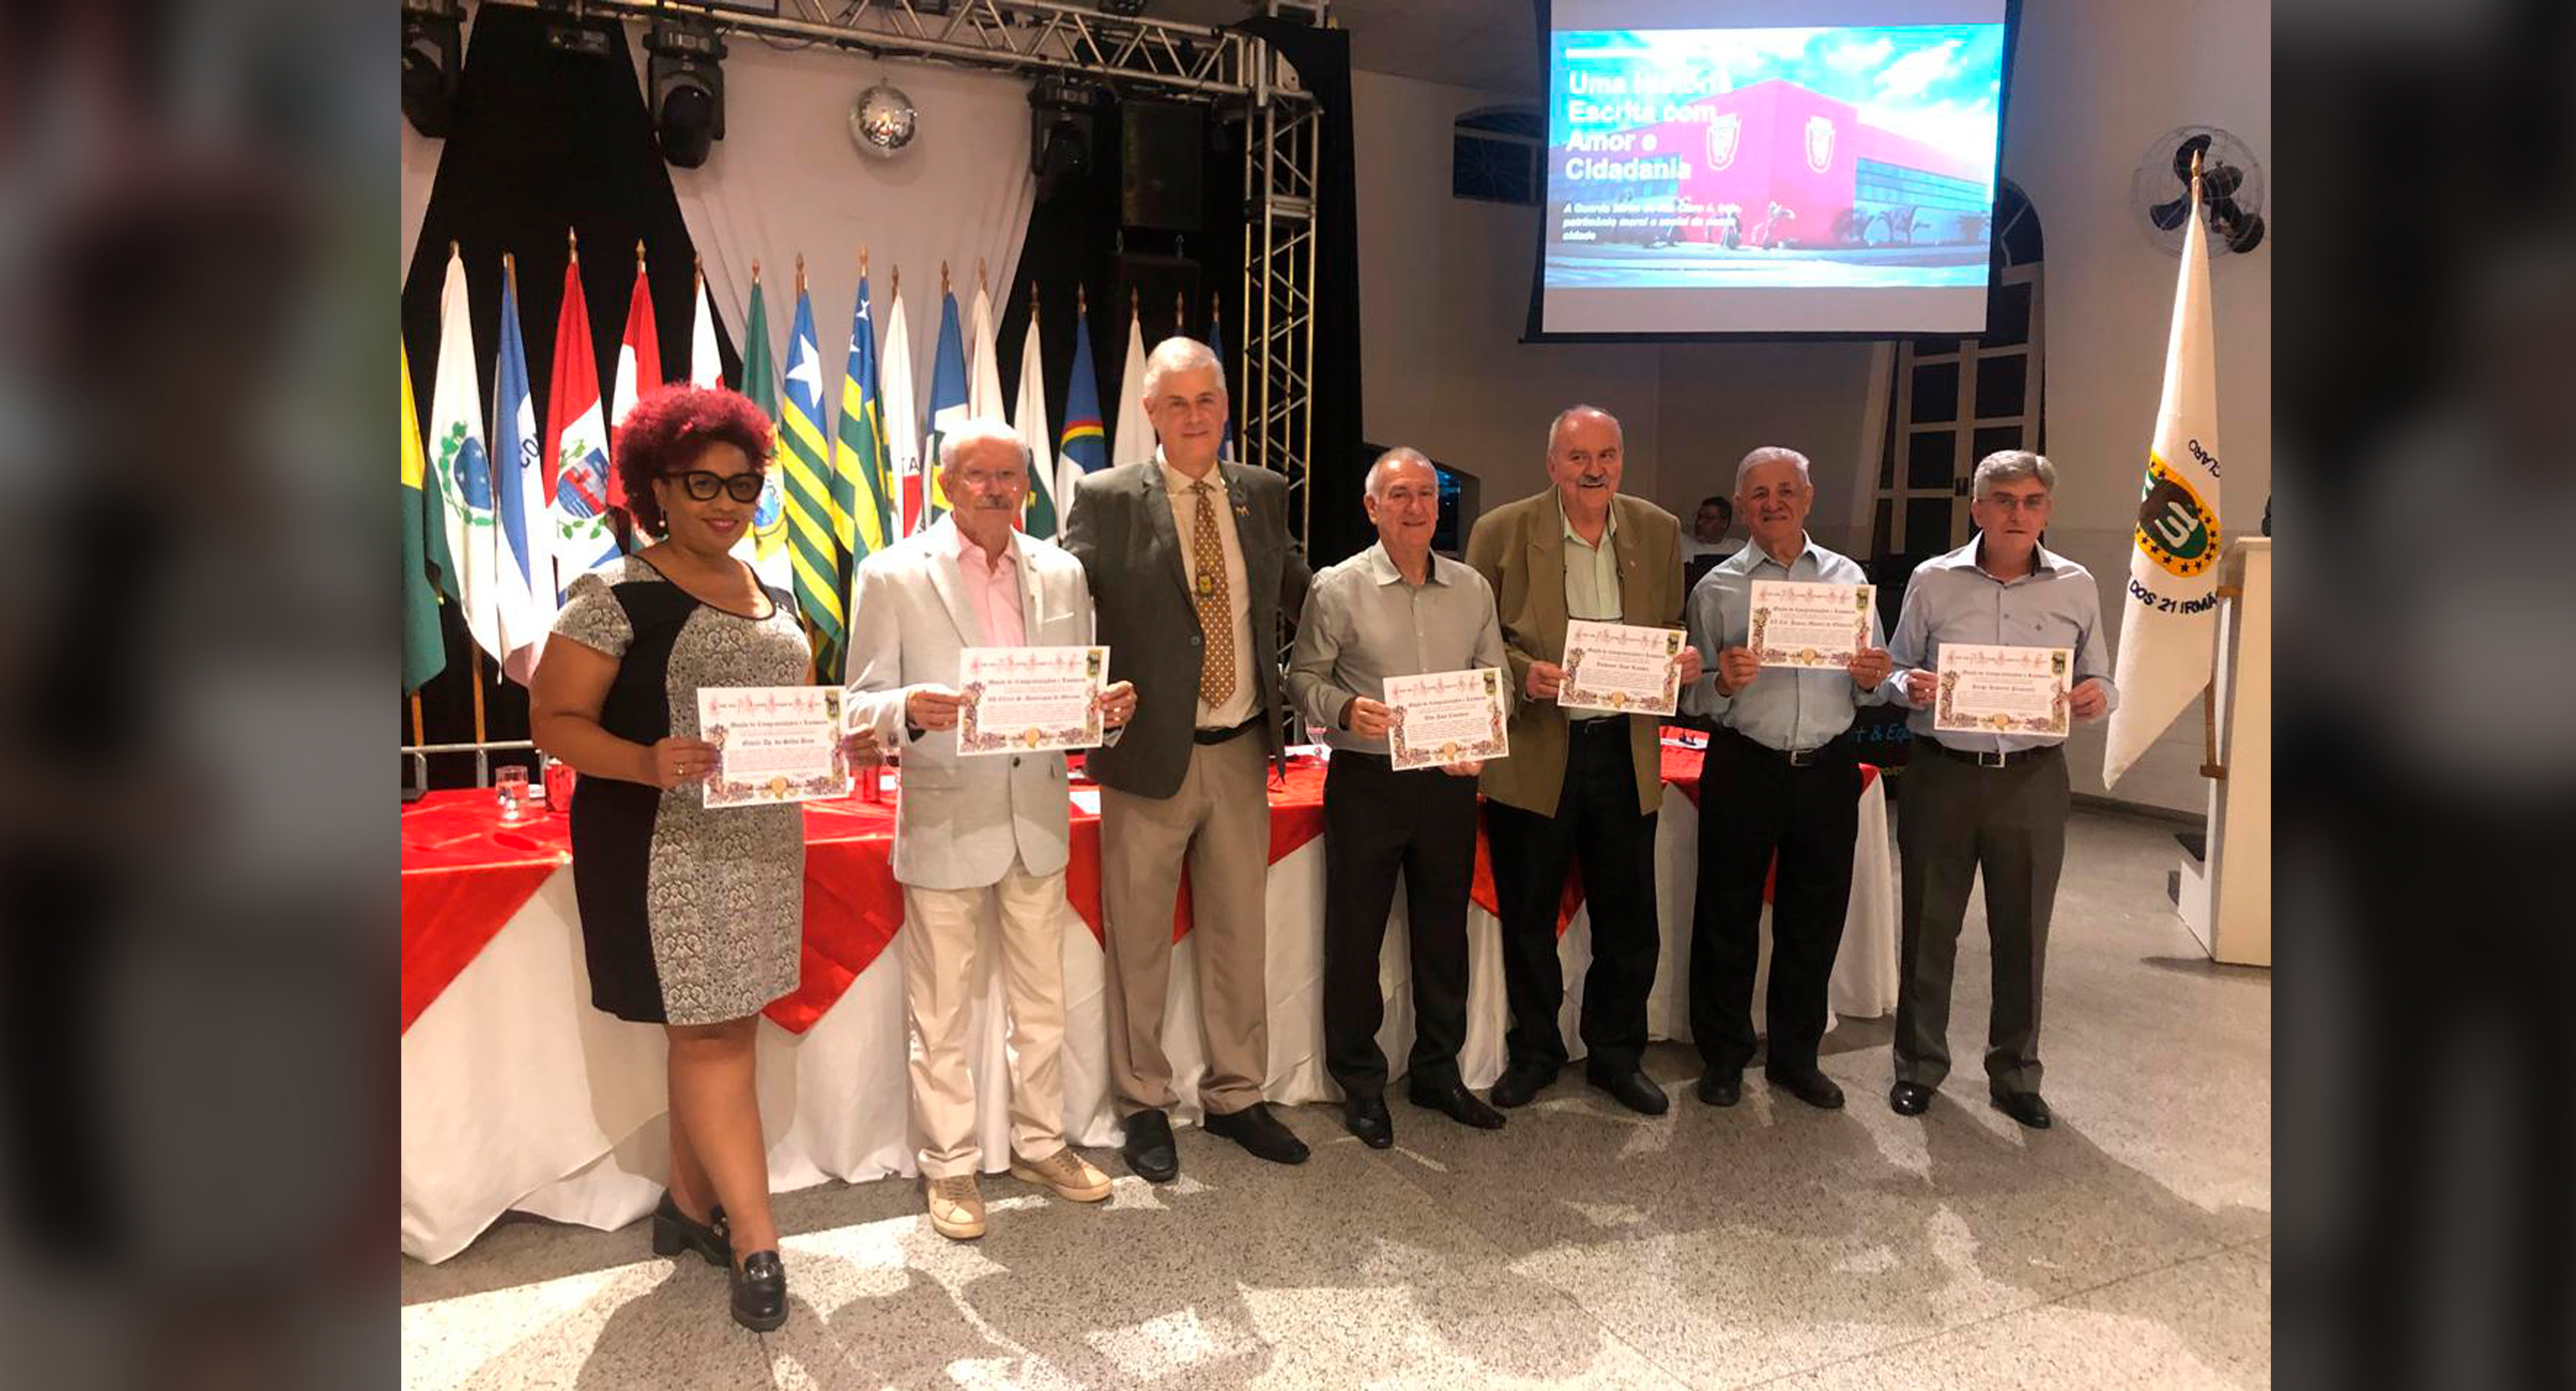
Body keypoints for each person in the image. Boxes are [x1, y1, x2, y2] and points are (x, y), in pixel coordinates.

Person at [530, 383, 876, 1332]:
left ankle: (687, 1207)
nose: (727, 504)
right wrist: (643, 760)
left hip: (763, 843)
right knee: (712, 1035)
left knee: (728, 1029)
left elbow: (797, 715)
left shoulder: (781, 595)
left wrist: (837, 742)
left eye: (744, 486)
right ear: (656, 488)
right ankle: (756, 1239)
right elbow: (553, 721)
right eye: (703, 484)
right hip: (661, 847)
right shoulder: (615, 595)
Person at [844, 420, 1140, 1237]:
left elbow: (1077, 695)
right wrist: (904, 708)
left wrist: (1107, 712)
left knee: (1042, 1002)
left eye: (1010, 476)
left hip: (1038, 819)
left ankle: (1043, 1143)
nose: (997, 489)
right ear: (947, 484)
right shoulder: (892, 573)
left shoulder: (1063, 570)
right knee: (940, 1012)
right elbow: (856, 701)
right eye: (978, 475)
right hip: (945, 816)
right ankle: (949, 1167)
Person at [1063, 336, 1312, 1182]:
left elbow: (1305, 595)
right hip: (1145, 757)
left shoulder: (1262, 494)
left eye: (1208, 400)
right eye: (1177, 403)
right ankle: (1143, 1104)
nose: (1196, 416)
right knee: (1137, 940)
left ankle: (1238, 1096)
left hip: (1242, 750)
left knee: (1239, 935)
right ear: (1149, 413)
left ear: (1226, 406)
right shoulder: (1105, 499)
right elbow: (1065, 611)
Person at [1464, 405, 1701, 1116]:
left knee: (1630, 919)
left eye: (1607, 455)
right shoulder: (1501, 531)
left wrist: (1680, 660)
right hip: (1538, 750)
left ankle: (1616, 1054)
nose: (1594, 469)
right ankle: (1537, 1050)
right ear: (1552, 464)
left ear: (1621, 460)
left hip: (1622, 752)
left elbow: (1667, 629)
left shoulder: (1658, 530)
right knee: (1530, 915)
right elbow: (1472, 639)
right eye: (1578, 457)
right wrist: (1520, 671)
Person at [1880, 450, 2114, 1128]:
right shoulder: (1932, 580)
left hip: (2034, 779)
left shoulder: (2076, 585)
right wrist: (1908, 686)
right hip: (1942, 773)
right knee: (1928, 926)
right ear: (1977, 508)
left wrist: (2098, 695)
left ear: (2048, 510)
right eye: (2005, 500)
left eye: (2033, 500)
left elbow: (2100, 674)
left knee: (2024, 932)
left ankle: (2015, 1074)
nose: (2019, 513)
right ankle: (1919, 1068)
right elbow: (1895, 668)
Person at [1286, 448, 1511, 1149]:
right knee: (1355, 939)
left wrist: (1482, 732)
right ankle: (1360, 1083)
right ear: (1372, 507)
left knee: (1444, 933)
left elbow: (1493, 678)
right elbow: (1301, 679)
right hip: (1367, 785)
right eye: (1399, 495)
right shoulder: (1337, 587)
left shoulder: (1472, 587)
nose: (1416, 507)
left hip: (1449, 784)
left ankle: (1438, 1073)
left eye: (1425, 494)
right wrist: (1346, 709)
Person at [1682, 445, 1891, 1112]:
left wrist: (1870, 678)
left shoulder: (1847, 576)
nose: (1772, 503)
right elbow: (1689, 697)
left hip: (1827, 767)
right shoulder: (1715, 589)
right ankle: (1723, 1056)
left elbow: (1875, 685)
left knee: (1815, 917)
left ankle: (1796, 1056)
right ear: (1742, 506)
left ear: (1808, 497)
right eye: (1759, 493)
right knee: (1726, 916)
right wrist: (1721, 681)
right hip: (1745, 764)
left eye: (1785, 490)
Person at [1681, 494, 1736, 563]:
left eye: (1709, 518)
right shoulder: (1682, 543)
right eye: (1700, 517)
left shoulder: (1737, 549)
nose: (1699, 523)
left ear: (1724, 523)